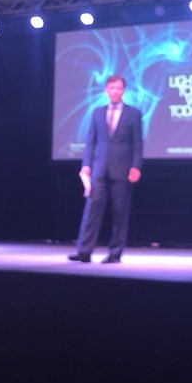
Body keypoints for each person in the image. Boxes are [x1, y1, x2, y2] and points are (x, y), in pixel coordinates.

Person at [68, 74, 143, 264]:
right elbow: (90, 141)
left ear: (123, 91)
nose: (115, 91)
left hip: (122, 168)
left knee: (120, 212)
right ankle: (84, 251)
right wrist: (86, 165)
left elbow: (137, 143)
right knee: (92, 211)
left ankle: (115, 253)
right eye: (112, 88)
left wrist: (136, 166)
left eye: (119, 88)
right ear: (106, 91)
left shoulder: (133, 114)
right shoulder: (97, 113)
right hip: (99, 169)